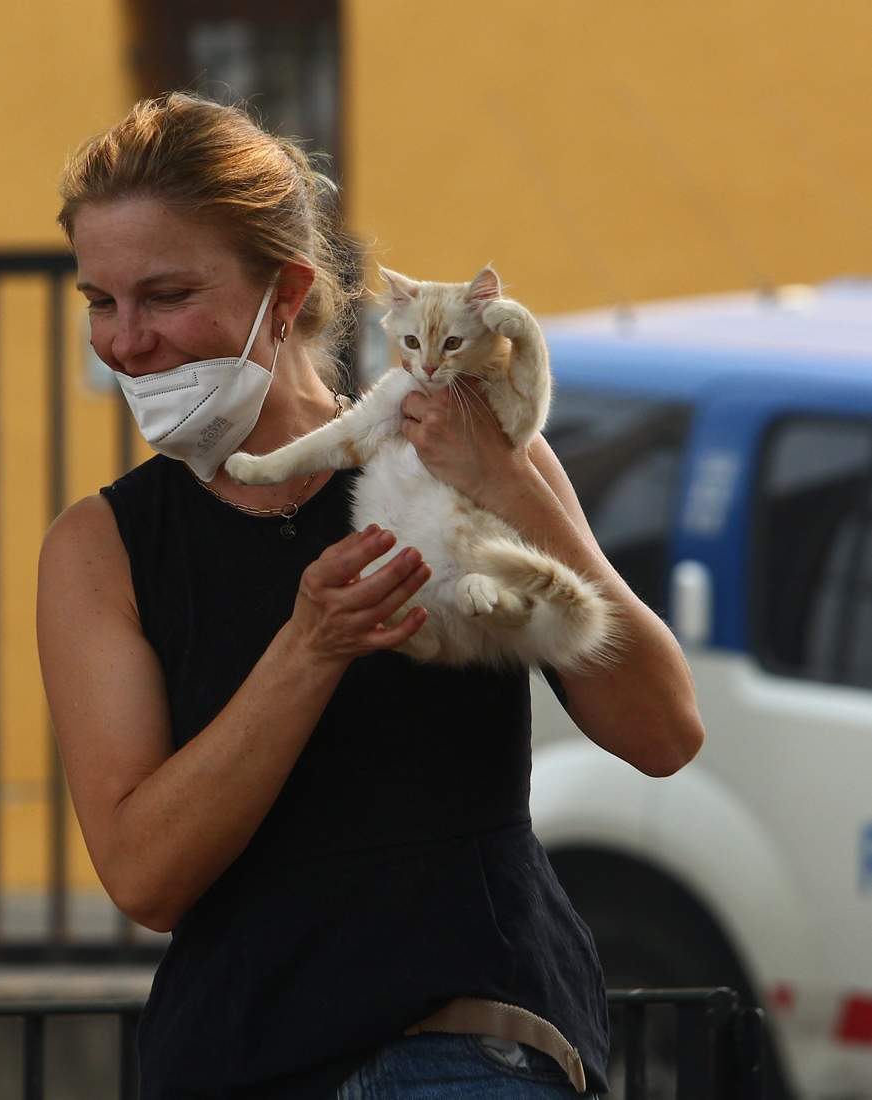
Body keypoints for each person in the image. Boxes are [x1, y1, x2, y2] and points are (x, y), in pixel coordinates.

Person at [36, 91, 705, 1100]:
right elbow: (144, 875)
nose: (125, 341)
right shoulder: (103, 546)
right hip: (239, 1057)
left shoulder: (464, 453)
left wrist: (514, 487)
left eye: (164, 295)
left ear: (287, 290)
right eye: (100, 301)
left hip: (471, 1038)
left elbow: (663, 728)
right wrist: (309, 647)